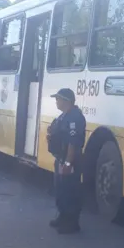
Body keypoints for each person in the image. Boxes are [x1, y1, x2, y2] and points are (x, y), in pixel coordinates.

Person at [47, 88, 86, 234]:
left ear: (66, 101)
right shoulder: (63, 116)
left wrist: (68, 164)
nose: (56, 101)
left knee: (70, 192)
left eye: (58, 99)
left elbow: (73, 143)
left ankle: (72, 223)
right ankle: (62, 217)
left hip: (70, 161)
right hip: (61, 158)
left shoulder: (75, 118)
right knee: (60, 190)